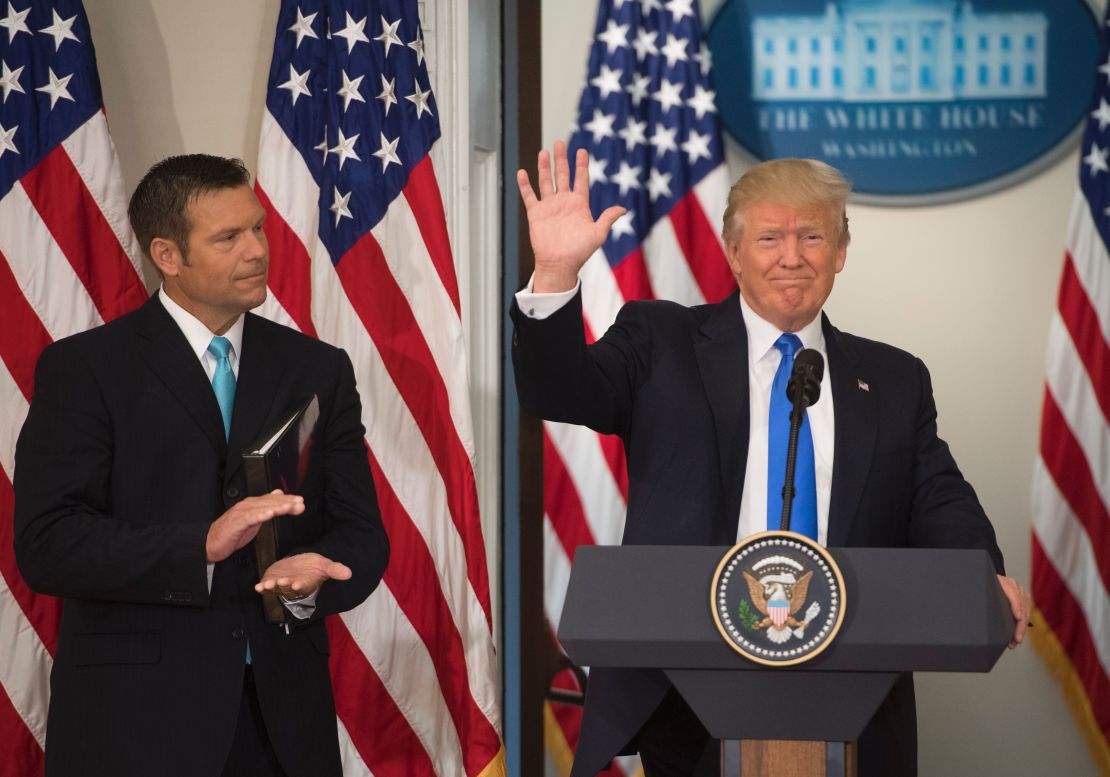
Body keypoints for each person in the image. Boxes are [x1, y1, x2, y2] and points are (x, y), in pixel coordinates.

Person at [510, 142, 1031, 777]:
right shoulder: (660, 340)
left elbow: (939, 497)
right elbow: (559, 391)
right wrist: (557, 276)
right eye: (769, 238)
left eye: (812, 236)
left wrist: (984, 575)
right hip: (689, 696)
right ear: (732, 252)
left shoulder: (893, 378)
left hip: (854, 698)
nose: (792, 256)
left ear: (840, 253)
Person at [13, 155, 389, 777]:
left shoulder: (319, 369)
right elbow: (47, 543)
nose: (257, 251)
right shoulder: (86, 370)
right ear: (167, 255)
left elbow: (361, 534)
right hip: (134, 726)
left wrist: (310, 583)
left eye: (259, 228)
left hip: (283, 725)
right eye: (228, 237)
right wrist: (200, 547)